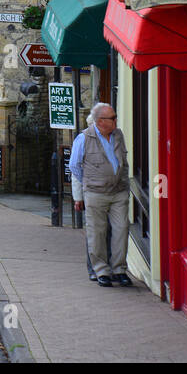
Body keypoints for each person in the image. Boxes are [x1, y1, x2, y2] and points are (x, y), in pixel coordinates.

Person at [69, 102, 131, 287]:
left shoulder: (118, 134)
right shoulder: (84, 138)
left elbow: (124, 161)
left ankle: (119, 269)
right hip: (96, 193)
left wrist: (124, 182)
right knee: (97, 233)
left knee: (121, 230)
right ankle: (101, 270)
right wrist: (87, 183)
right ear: (100, 121)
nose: (116, 120)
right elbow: (74, 166)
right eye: (112, 118)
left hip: (119, 192)